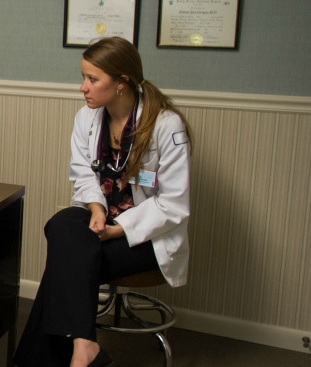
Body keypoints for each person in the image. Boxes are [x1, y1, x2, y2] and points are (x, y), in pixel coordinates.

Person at [14, 37, 192, 367]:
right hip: (98, 223)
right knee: (62, 224)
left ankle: (73, 352)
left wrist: (116, 230)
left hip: (144, 237)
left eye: (92, 79)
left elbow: (173, 205)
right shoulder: (88, 118)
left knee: (65, 263)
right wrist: (96, 209)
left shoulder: (166, 126)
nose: (83, 87)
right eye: (83, 77)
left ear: (122, 82)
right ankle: (84, 348)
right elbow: (82, 173)